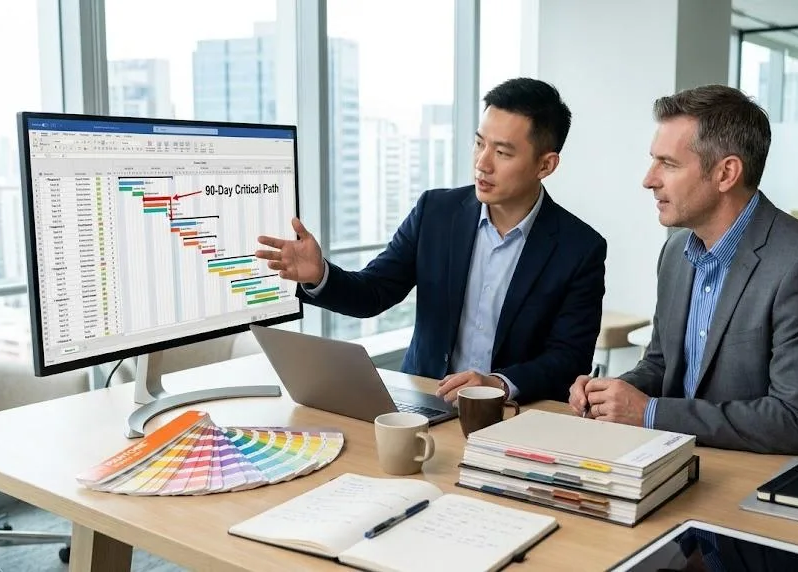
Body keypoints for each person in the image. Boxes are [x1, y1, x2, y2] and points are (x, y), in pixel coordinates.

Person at [256, 78, 606, 404]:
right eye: (479, 143)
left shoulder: (580, 248)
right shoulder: (436, 212)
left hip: (513, 413)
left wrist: (498, 383)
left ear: (545, 165)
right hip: (425, 402)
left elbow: (568, 358)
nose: (482, 163)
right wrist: (320, 275)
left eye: (502, 153)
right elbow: (373, 292)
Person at [569, 84, 798, 456]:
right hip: (694, 456)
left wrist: (649, 412)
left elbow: (796, 421)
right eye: (653, 160)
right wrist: (610, 394)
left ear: (726, 174)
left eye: (668, 164)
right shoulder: (675, 252)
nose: (648, 179)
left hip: (788, 473)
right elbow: (661, 364)